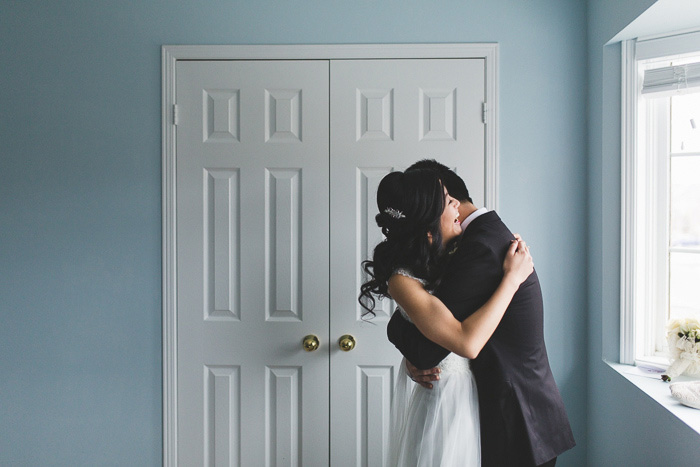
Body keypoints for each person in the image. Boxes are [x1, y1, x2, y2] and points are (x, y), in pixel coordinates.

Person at [388, 159, 576, 467]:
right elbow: (437, 328)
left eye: (443, 200)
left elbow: (431, 349)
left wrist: (400, 332)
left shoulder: (480, 247)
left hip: (515, 420)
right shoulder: (476, 238)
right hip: (511, 412)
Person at [359, 168, 534, 466]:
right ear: (428, 227)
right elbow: (467, 342)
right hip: (445, 402)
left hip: (468, 398)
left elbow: (426, 326)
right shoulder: (402, 280)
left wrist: (415, 353)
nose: (457, 206)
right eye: (447, 201)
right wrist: (512, 280)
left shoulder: (449, 257)